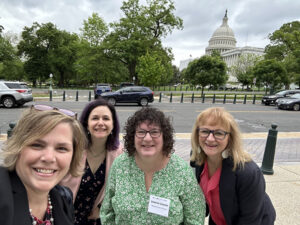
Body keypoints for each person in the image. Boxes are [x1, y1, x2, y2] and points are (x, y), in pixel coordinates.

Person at [100, 107, 206, 225]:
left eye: (154, 132)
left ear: (164, 136)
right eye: (141, 132)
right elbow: (107, 213)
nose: (147, 138)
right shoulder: (120, 165)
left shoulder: (181, 170)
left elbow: (195, 217)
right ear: (132, 136)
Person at [0, 105, 86, 225]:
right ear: (17, 147)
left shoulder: (63, 198)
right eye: (37, 145)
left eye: (61, 148)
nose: (49, 158)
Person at [190, 107, 276, 225]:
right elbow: (204, 203)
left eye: (219, 133)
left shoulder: (248, 173)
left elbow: (250, 221)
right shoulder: (199, 160)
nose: (210, 139)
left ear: (229, 138)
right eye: (205, 131)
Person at [60, 98, 123, 225]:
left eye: (106, 118)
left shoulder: (120, 154)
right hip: (66, 216)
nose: (100, 123)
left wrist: (101, 209)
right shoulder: (73, 149)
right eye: (95, 118)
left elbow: (121, 188)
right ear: (86, 124)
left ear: (113, 125)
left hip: (98, 219)